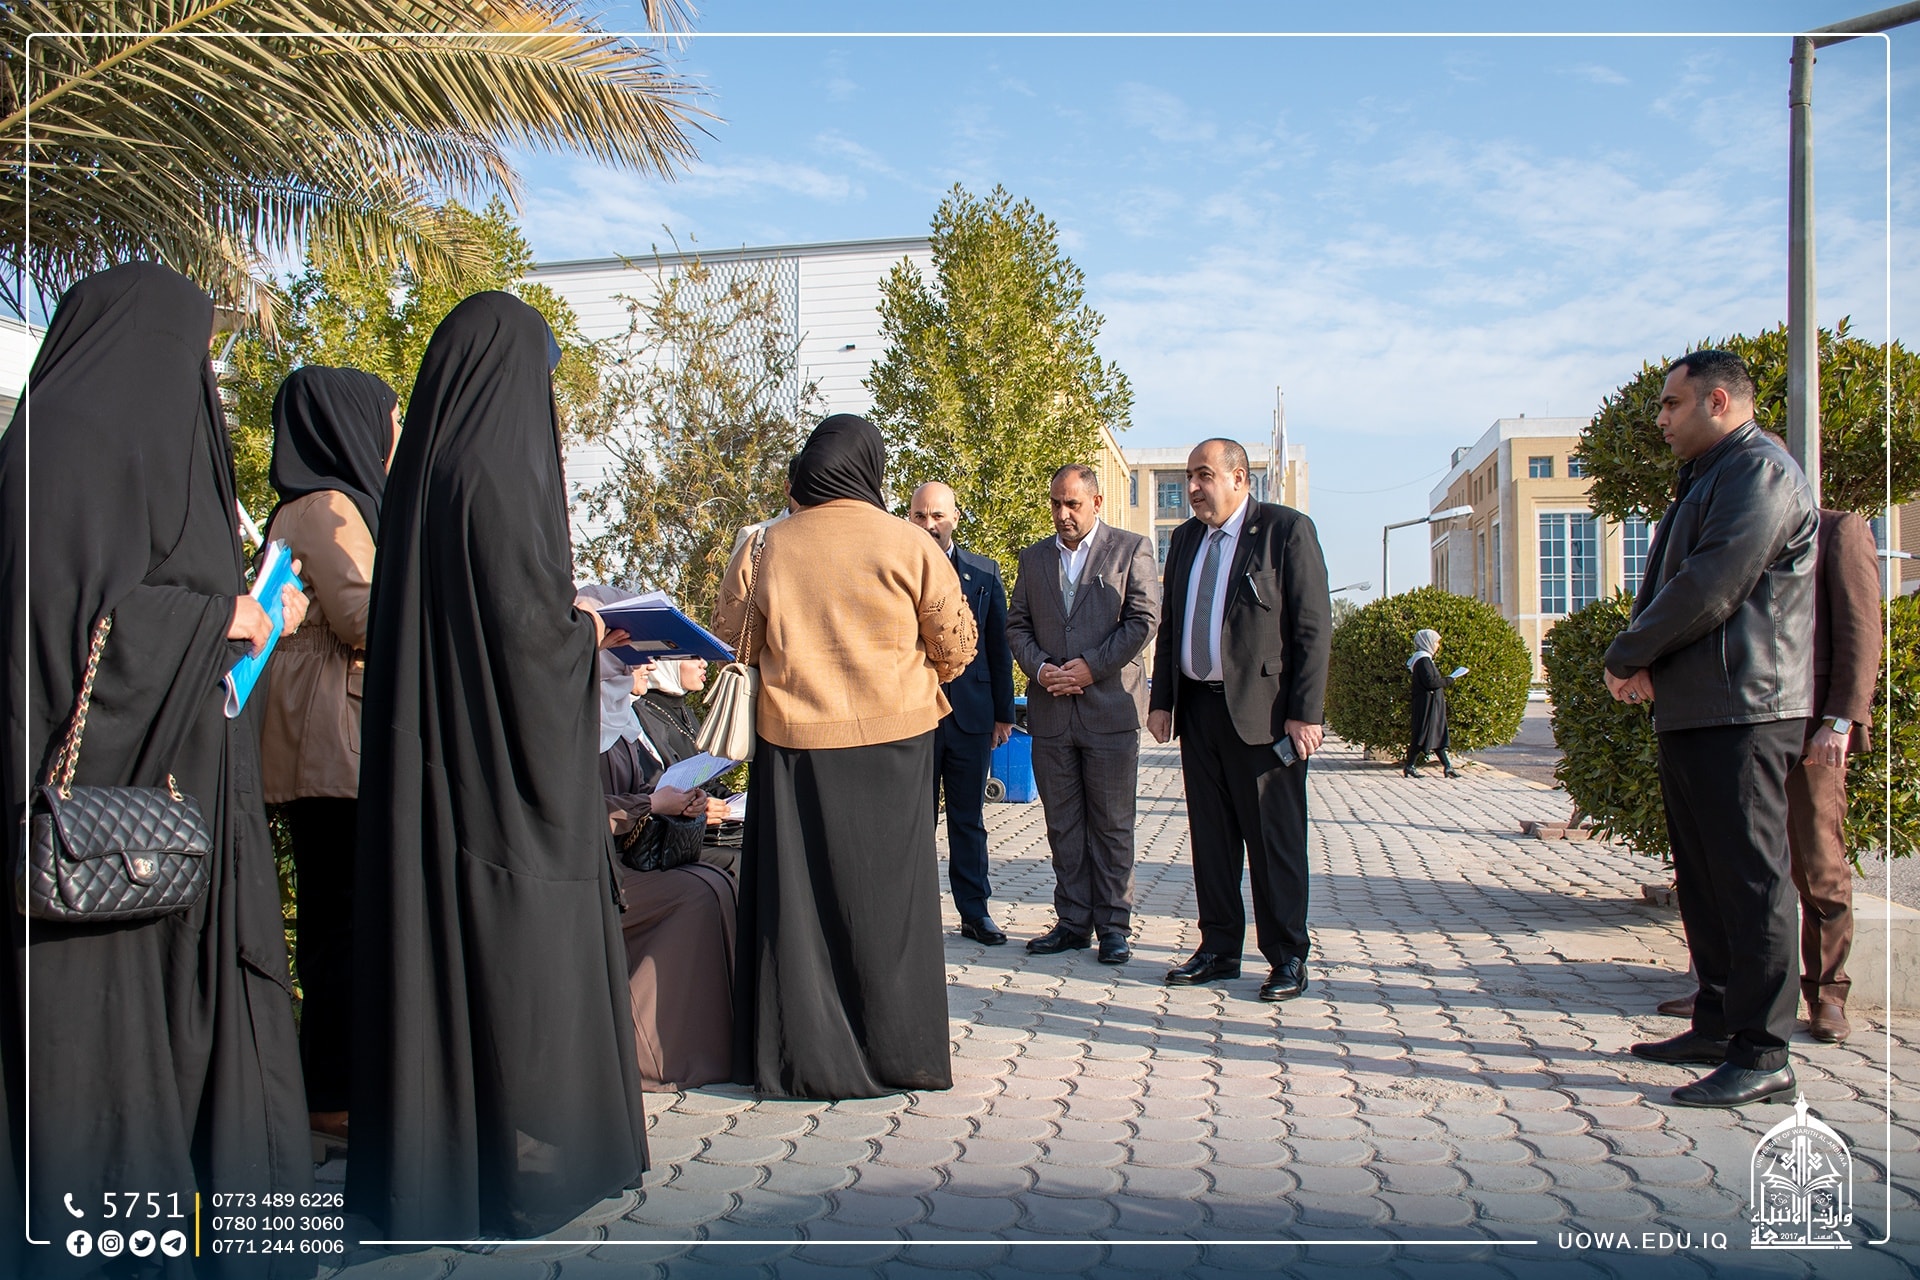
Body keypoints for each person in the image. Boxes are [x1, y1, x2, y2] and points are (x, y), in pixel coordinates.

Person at [0, 262, 315, 1272]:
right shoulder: (78, 451)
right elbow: (71, 627)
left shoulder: (59, 441)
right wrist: (230, 617)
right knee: (101, 1074)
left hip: (134, 828)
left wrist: (234, 620)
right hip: (87, 850)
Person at [350, 291, 648, 1239]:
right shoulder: (500, 472)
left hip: (432, 763)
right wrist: (586, 632)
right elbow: (526, 638)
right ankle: (530, 1171)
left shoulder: (425, 470)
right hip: (496, 780)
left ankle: (436, 1168)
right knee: (520, 952)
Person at [713, 413, 976, 1099]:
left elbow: (734, 642)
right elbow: (956, 651)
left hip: (795, 746)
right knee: (893, 905)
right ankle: (902, 1055)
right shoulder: (912, 543)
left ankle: (802, 1060)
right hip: (896, 745)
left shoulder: (765, 545)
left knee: (797, 905)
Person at [1611, 350, 1816, 1109]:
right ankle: (1719, 1023)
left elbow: (1712, 584)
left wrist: (1627, 652)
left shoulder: (1759, 471)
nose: (1661, 419)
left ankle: (1764, 1051)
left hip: (1746, 708)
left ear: (1718, 401)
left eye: (1672, 404)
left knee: (1751, 881)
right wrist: (1644, 660)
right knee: (1703, 877)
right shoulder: (1709, 474)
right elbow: (1673, 581)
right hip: (1700, 706)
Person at [1653, 506, 1881, 1046]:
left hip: (1809, 731)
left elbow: (1860, 632)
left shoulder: (1837, 529)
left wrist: (1839, 721)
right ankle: (1729, 990)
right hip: (1737, 723)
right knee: (1732, 865)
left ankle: (1826, 993)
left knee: (1818, 864)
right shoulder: (1727, 531)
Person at [257, 364, 400, 1160]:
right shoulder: (330, 507)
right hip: (332, 744)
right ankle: (330, 1095)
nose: (396, 434)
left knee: (336, 917)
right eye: (389, 418)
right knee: (341, 922)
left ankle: (334, 1087)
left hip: (325, 740)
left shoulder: (322, 502)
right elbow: (363, 617)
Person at [1147, 438, 1331, 1002]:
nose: (1193, 487)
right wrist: (1162, 700)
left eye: (1204, 475)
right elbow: (1173, 621)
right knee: (1211, 840)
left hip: (1265, 717)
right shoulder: (1185, 539)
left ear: (1239, 478)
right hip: (1199, 711)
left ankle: (1287, 956)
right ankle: (1219, 948)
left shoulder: (1285, 531)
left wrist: (1305, 713)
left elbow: (1312, 628)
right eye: (1189, 476)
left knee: (1274, 842)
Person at [574, 594, 737, 1094]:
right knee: (700, 891)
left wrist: (678, 801)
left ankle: (719, 1043)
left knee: (717, 882)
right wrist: (653, 804)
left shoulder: (621, 719)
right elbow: (572, 809)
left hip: (621, 860)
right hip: (586, 872)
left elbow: (641, 788)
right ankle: (653, 1051)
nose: (637, 666)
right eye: (621, 653)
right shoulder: (570, 717)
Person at [1008, 464, 1161, 965]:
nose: (1062, 513)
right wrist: (1042, 669)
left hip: (1110, 710)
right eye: (1056, 503)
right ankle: (1073, 922)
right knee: (1063, 824)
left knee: (1112, 825)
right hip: (1051, 711)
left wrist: (1091, 668)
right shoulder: (1033, 558)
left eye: (1072, 504)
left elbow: (1143, 620)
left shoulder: (1131, 549)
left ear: (1096, 502)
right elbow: (1017, 625)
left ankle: (1114, 926)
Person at [909, 480, 1017, 945]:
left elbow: (998, 645)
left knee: (968, 819)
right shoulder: (896, 568)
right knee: (915, 820)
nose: (929, 524)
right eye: (920, 515)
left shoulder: (983, 572)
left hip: (971, 716)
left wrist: (1003, 713)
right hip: (915, 715)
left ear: (955, 517)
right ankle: (912, 917)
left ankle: (975, 913)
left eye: (938, 515)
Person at [637, 656, 745, 868]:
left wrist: (731, 801)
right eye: (693, 657)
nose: (704, 664)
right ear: (666, 664)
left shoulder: (684, 712)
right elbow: (657, 781)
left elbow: (704, 775)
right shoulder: (645, 713)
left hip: (696, 825)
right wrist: (698, 805)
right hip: (671, 833)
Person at [1402, 629, 1462, 779]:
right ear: (1427, 642)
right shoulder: (1423, 660)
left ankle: (1447, 766)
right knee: (1423, 733)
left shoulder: (1424, 659)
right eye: (1436, 642)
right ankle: (1410, 766)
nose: (1437, 646)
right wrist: (1450, 679)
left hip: (1431, 703)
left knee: (1435, 733)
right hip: (1427, 704)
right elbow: (1431, 682)